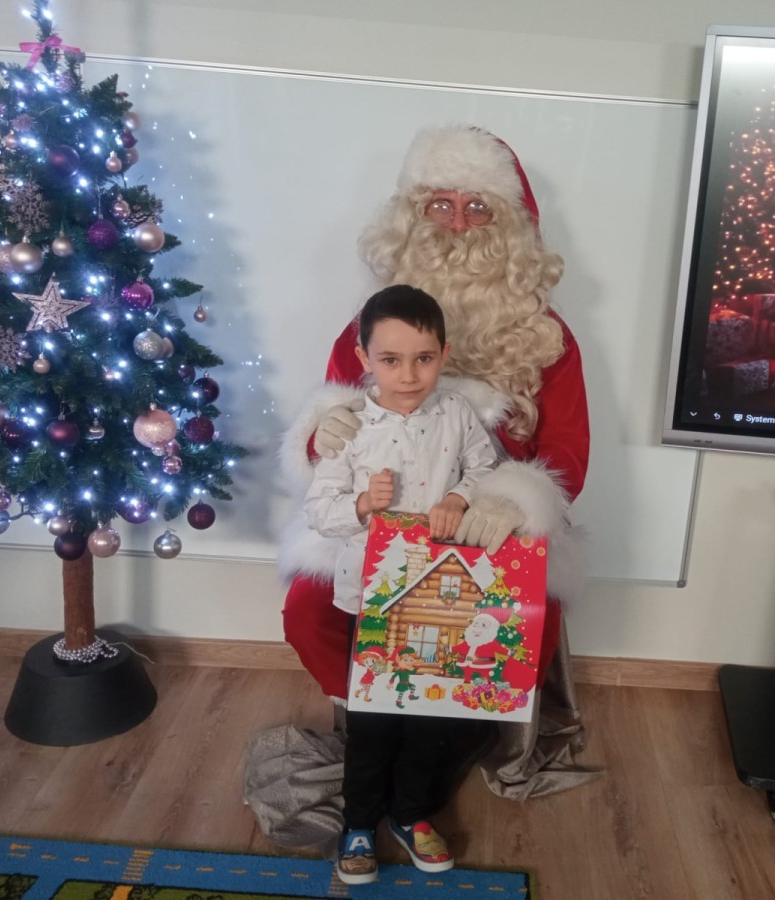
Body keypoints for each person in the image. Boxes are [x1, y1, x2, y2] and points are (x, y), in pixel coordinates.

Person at [261, 123, 596, 858]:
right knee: (311, 610)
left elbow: (568, 450)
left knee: (519, 622)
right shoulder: (368, 328)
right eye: (440, 204)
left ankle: (430, 747)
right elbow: (329, 427)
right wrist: (321, 435)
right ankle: (382, 724)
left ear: (511, 227)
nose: (458, 224)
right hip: (376, 521)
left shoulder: (547, 338)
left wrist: (508, 502)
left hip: (485, 527)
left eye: (478, 207)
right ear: (411, 216)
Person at [302, 283, 499, 884]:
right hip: (373, 597)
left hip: (441, 596)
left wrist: (460, 497)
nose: (408, 375)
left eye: (423, 358)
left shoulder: (457, 413)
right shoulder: (348, 427)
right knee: (372, 718)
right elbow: (319, 511)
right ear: (364, 358)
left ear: (444, 354)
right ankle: (359, 822)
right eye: (390, 359)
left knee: (430, 717)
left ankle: (411, 813)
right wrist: (363, 504)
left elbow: (486, 467)